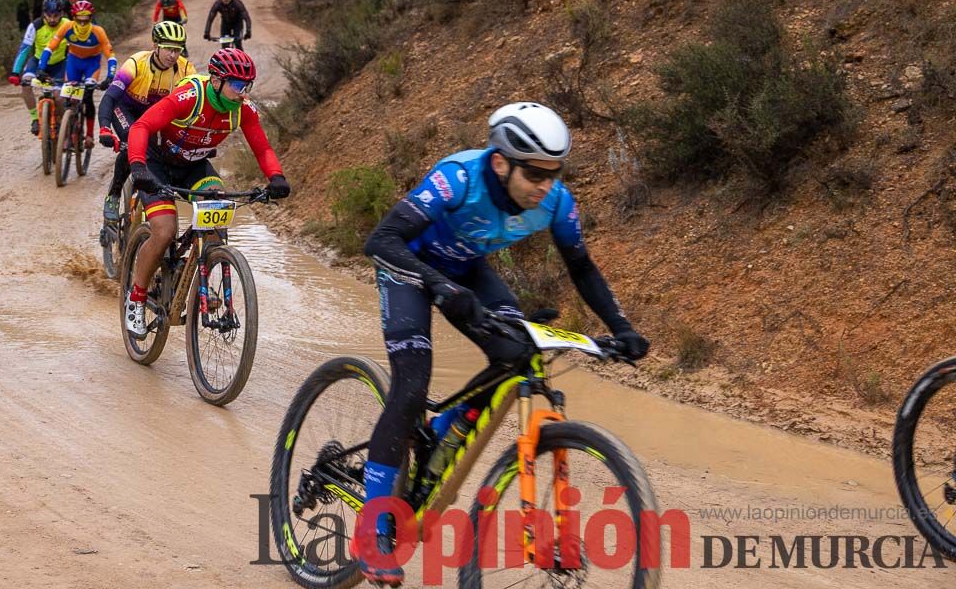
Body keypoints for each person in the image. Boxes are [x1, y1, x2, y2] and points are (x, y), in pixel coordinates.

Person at [354, 102, 650, 586]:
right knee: (411, 384)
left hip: (467, 268)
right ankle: (371, 529)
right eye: (535, 173)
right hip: (407, 264)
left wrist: (621, 328)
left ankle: (438, 435)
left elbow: (582, 267)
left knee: (516, 353)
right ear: (500, 163)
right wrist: (440, 287)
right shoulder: (458, 179)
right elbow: (380, 240)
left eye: (555, 174)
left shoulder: (555, 202)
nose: (546, 185)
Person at [122, 48, 290, 336]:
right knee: (164, 230)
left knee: (217, 218)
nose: (243, 93)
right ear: (216, 81)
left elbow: (262, 148)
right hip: (156, 164)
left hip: (194, 166)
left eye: (247, 86)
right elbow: (142, 126)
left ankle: (201, 275)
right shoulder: (190, 97)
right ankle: (135, 299)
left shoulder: (243, 109)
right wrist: (138, 167)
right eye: (238, 85)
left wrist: (276, 178)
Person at [97, 21, 194, 226]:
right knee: (133, 140)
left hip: (155, 115)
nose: (173, 55)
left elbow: (194, 104)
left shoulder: (186, 69)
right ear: (155, 46)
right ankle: (114, 194)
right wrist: (105, 128)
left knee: (161, 152)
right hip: (126, 109)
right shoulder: (136, 63)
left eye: (177, 50)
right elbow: (109, 98)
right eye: (168, 48)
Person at [38, 0, 116, 147]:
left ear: (90, 19)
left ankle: (89, 135)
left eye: (85, 21)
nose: (82, 24)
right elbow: (49, 48)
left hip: (91, 66)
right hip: (73, 63)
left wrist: (110, 77)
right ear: (73, 18)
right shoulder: (67, 27)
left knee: (87, 96)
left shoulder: (98, 32)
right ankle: (67, 132)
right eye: (79, 21)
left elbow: (111, 56)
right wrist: (41, 68)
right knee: (67, 98)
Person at [8, 0, 69, 135]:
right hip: (37, 61)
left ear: (62, 14)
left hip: (60, 63)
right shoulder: (35, 26)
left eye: (56, 15)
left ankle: (60, 121)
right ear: (44, 14)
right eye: (49, 15)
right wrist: (15, 72)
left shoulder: (67, 25)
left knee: (59, 96)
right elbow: (24, 49)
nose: (52, 19)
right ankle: (35, 118)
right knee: (26, 84)